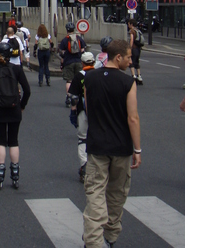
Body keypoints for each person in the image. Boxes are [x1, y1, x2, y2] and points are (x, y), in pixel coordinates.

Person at [82, 39, 141, 248]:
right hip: (121, 147)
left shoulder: (90, 78)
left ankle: (93, 242)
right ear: (118, 58)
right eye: (128, 57)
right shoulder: (128, 83)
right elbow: (132, 118)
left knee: (95, 194)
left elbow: (89, 109)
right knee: (117, 194)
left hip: (97, 144)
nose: (130, 61)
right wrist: (137, 149)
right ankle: (110, 237)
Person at [0, 41, 31, 190]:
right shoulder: (17, 69)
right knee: (13, 141)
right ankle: (15, 173)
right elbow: (27, 90)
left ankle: (0, 172)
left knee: (1, 141)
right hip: (14, 107)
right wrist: (22, 105)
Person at [68, 51, 96, 183]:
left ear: (82, 63)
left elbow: (74, 97)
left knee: (82, 138)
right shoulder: (99, 74)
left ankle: (84, 165)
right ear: (93, 62)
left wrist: (73, 112)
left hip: (83, 112)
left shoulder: (79, 76)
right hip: (99, 113)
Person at [58, 22, 87, 108]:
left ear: (66, 30)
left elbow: (62, 53)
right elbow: (83, 50)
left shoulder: (64, 40)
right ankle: (80, 96)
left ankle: (69, 98)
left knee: (69, 81)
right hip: (78, 62)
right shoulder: (79, 38)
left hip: (68, 62)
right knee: (79, 80)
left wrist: (62, 65)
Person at [127, 19, 144, 85]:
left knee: (131, 62)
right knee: (137, 62)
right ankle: (139, 76)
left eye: (129, 24)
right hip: (138, 48)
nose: (128, 26)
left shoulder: (132, 31)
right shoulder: (138, 30)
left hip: (133, 48)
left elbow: (131, 40)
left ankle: (133, 76)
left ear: (131, 24)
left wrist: (129, 48)